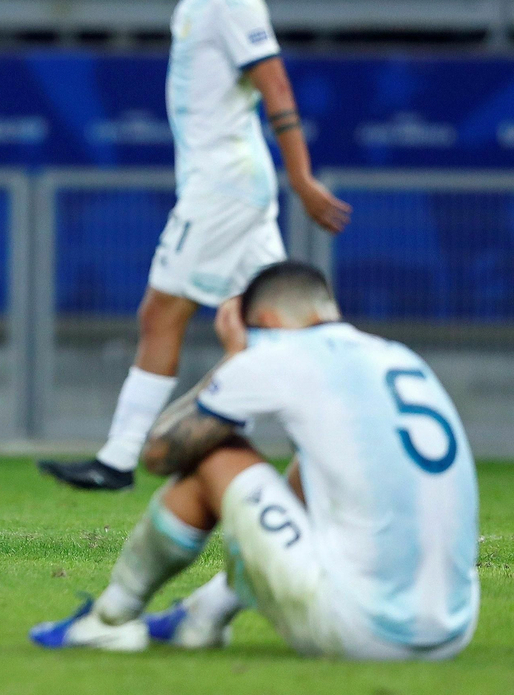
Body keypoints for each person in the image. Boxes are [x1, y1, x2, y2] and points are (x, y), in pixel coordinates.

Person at [38, 0, 349, 493]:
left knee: (161, 311)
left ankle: (118, 459)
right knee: (273, 324)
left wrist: (302, 176)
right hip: (231, 184)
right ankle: (340, 445)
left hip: (223, 187)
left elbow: (276, 87)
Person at [32, 261, 479, 660]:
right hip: (455, 629)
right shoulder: (398, 356)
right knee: (314, 467)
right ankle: (202, 615)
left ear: (265, 321)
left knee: (215, 453)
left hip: (363, 631)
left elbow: (160, 453)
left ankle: (110, 619)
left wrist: (235, 358)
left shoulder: (282, 353)